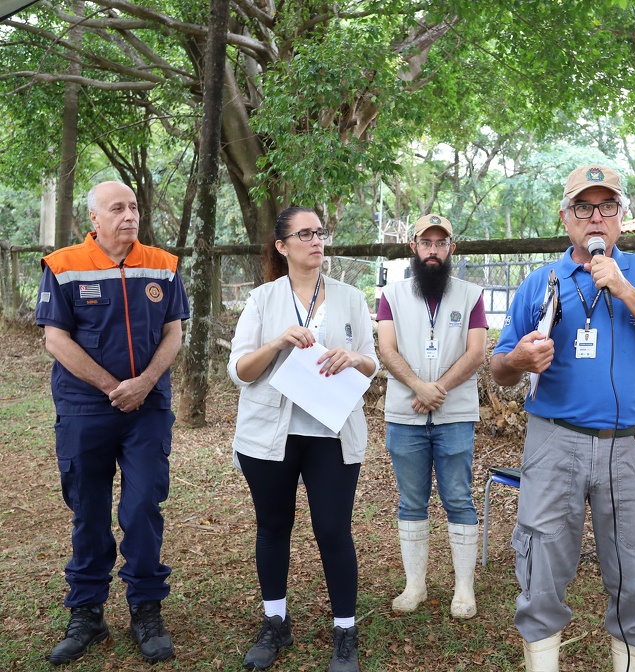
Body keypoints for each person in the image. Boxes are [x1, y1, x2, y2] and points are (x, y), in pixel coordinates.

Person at [490, 164, 635, 672]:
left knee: (633, 566)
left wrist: (624, 289)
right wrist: (519, 360)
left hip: (626, 447)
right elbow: (499, 369)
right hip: (552, 442)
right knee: (540, 566)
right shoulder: (541, 282)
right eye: (583, 207)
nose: (595, 217)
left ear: (622, 218)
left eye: (606, 207)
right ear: (566, 218)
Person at [35, 181, 190, 664]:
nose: (130, 215)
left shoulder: (163, 265)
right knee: (88, 507)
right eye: (117, 208)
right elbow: (55, 340)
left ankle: (146, 608)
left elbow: (174, 331)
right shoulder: (62, 267)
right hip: (85, 408)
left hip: (147, 408)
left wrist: (143, 383)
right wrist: (110, 386)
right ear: (94, 218)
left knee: (143, 504)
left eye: (134, 207)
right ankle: (87, 611)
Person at [228, 207, 378, 672]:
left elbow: (372, 366)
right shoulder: (262, 300)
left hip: (331, 433)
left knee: (333, 530)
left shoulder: (351, 297)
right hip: (271, 435)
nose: (316, 240)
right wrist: (276, 343)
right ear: (282, 245)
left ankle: (345, 631)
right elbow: (240, 371)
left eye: (320, 232)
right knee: (273, 528)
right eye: (305, 233)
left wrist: (353, 358)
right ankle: (276, 623)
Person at [376, 214, 488, 619]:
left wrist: (435, 389)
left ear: (451, 249)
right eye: (427, 243)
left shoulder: (471, 294)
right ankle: (415, 586)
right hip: (405, 415)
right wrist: (418, 388)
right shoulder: (391, 294)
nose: (434, 251)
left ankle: (463, 590)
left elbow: (476, 352)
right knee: (411, 500)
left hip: (454, 414)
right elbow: (386, 349)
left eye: (441, 243)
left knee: (458, 498)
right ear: (414, 248)